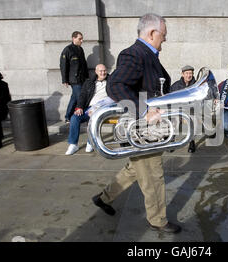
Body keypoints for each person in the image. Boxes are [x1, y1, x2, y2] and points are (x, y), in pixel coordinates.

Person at [92, 13, 182, 234]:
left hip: (147, 128)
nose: (165, 39)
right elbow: (116, 86)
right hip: (142, 128)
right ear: (152, 33)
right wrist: (144, 112)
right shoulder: (134, 53)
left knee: (135, 168)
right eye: (163, 35)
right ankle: (158, 219)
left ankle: (103, 198)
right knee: (153, 175)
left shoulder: (147, 54)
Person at [65, 64, 109, 155]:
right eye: (100, 71)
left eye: (104, 70)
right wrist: (79, 107)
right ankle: (73, 144)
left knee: (93, 118)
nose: (103, 73)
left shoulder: (111, 81)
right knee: (74, 117)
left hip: (103, 108)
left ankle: (91, 142)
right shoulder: (89, 82)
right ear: (96, 72)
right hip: (90, 107)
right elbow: (82, 96)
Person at [60, 31, 89, 123]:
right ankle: (83, 115)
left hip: (82, 78)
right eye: (80, 39)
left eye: (82, 38)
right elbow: (63, 65)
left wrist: (87, 78)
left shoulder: (80, 49)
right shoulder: (67, 50)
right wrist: (64, 80)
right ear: (73, 38)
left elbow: (84, 65)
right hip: (74, 79)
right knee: (80, 97)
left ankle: (68, 116)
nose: (82, 40)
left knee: (74, 98)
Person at [170, 65, 197, 152]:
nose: (189, 75)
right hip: (179, 110)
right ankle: (172, 141)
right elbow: (171, 99)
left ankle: (191, 141)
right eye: (186, 73)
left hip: (192, 111)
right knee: (175, 120)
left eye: (190, 73)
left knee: (194, 122)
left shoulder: (197, 85)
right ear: (182, 74)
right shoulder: (175, 85)